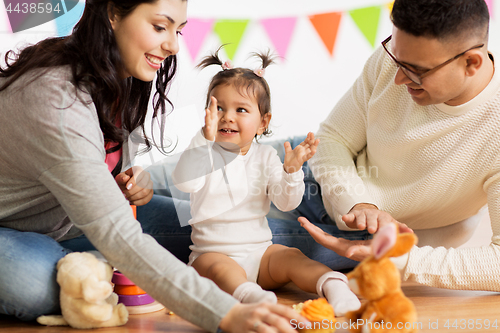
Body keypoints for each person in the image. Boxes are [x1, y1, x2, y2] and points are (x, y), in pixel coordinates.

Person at [0, 1, 309, 332]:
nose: (174, 45)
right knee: (35, 284)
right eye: (161, 27)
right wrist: (226, 313)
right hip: (15, 227)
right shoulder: (57, 101)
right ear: (113, 14)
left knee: (226, 235)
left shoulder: (123, 75)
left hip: (74, 221)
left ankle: (361, 247)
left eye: (179, 30)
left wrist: (120, 183)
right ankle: (106, 265)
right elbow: (116, 230)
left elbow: (97, 172)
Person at [300, 0, 500, 291]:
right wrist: (358, 203)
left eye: (417, 70)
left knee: (220, 243)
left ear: (471, 63)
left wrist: (401, 260)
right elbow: (331, 138)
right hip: (312, 170)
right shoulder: (400, 57)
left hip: (363, 239)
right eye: (396, 58)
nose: (398, 78)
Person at [170, 49, 361, 316]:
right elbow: (184, 183)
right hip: (212, 254)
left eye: (241, 110)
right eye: (219, 108)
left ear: (263, 122)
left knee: (292, 257)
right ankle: (250, 295)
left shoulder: (266, 155)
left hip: (260, 255)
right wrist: (203, 137)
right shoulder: (203, 152)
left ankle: (334, 286)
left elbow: (285, 203)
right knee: (217, 269)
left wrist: (292, 171)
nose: (227, 116)